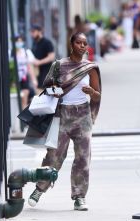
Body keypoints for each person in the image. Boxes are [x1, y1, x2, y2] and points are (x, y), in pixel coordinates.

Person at [28, 32, 101, 211]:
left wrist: (91, 93)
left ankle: (79, 197)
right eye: (79, 42)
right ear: (72, 44)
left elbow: (98, 95)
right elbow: (47, 86)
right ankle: (39, 189)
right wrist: (57, 90)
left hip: (82, 116)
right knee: (54, 156)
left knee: (83, 158)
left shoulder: (90, 67)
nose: (83, 46)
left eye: (85, 43)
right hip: (62, 115)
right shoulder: (59, 65)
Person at [14, 35, 37, 109]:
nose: (19, 43)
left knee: (24, 100)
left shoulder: (26, 52)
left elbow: (30, 67)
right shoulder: (10, 53)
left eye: (21, 41)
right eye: (17, 41)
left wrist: (34, 80)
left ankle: (23, 120)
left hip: (24, 78)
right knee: (15, 101)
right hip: (14, 80)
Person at [30, 25, 55, 92]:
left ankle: (62, 99)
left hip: (47, 72)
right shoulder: (34, 43)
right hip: (38, 73)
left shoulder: (47, 42)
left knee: (53, 92)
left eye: (33, 32)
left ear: (39, 32)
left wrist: (39, 62)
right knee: (40, 93)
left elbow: (51, 57)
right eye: (31, 32)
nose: (32, 34)